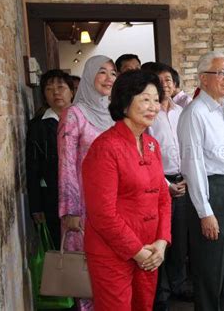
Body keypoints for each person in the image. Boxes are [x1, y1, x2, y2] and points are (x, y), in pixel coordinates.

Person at [82, 70, 171, 310]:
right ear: (124, 103)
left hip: (150, 249)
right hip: (112, 253)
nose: (153, 106)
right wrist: (136, 251)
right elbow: (102, 214)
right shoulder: (105, 148)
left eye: (156, 99)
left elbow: (163, 197)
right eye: (145, 99)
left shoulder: (152, 144)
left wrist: (161, 242)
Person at [177, 51, 224, 311]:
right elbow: (193, 166)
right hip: (214, 193)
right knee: (210, 268)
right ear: (203, 79)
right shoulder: (194, 113)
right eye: (221, 73)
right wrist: (205, 212)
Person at [58, 55, 116, 311]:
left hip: (116, 205)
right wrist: (70, 210)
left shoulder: (116, 113)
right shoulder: (74, 114)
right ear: (90, 75)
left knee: (114, 274)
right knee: (88, 275)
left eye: (113, 73)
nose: (108, 78)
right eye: (102, 72)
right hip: (84, 208)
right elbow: (66, 163)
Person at [147, 63, 193, 310]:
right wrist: (165, 184)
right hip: (157, 183)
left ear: (175, 85)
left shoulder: (182, 112)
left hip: (183, 181)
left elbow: (189, 146)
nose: (164, 84)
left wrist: (188, 178)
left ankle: (179, 284)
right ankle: (161, 291)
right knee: (160, 237)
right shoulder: (148, 114)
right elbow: (145, 153)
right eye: (159, 80)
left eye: (168, 80)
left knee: (180, 238)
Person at [26, 70, 74, 248]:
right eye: (49, 89)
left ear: (72, 91)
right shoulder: (38, 126)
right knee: (59, 245)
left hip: (85, 195)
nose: (56, 93)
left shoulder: (83, 120)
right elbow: (33, 167)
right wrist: (36, 207)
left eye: (61, 87)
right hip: (52, 198)